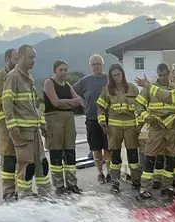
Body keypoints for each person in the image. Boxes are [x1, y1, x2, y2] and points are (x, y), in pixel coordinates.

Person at [2, 44, 52, 199]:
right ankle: (25, 198)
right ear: (21, 57)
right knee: (26, 165)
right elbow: (7, 103)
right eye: (31, 57)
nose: (34, 60)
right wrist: (12, 127)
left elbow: (35, 105)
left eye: (34, 57)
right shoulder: (13, 77)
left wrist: (42, 123)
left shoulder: (29, 79)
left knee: (41, 164)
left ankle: (46, 195)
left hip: (34, 131)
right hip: (23, 132)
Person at [135, 63, 175, 199]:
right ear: (157, 74)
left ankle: (166, 187)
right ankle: (145, 189)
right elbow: (138, 105)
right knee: (150, 158)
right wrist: (147, 118)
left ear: (169, 73)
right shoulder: (150, 89)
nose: (162, 78)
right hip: (155, 127)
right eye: (160, 75)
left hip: (171, 128)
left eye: (164, 75)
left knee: (171, 159)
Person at [96, 64, 142, 194]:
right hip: (114, 127)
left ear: (123, 74)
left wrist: (140, 124)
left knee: (133, 155)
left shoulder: (132, 88)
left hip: (131, 126)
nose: (117, 77)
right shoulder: (107, 90)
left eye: (119, 74)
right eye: (114, 75)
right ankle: (115, 183)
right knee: (115, 156)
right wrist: (103, 123)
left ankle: (136, 181)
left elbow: (140, 107)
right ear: (111, 76)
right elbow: (100, 108)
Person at [43, 60, 84, 195]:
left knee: (70, 152)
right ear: (55, 70)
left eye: (65, 70)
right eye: (61, 70)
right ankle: (59, 185)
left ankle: (72, 184)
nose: (64, 72)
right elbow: (55, 102)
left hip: (68, 120)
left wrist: (64, 102)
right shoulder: (49, 83)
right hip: (54, 120)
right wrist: (70, 103)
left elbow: (79, 102)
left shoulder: (67, 85)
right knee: (56, 152)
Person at [72, 54, 110, 184]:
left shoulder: (109, 79)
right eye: (93, 64)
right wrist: (81, 102)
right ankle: (100, 173)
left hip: (108, 120)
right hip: (92, 119)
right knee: (96, 148)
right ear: (90, 66)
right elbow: (71, 90)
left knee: (108, 148)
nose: (96, 66)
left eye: (98, 64)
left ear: (103, 65)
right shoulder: (85, 81)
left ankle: (110, 172)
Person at [0, 48, 19, 201]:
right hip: (6, 127)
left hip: (19, 126)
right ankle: (8, 191)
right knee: (8, 158)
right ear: (7, 59)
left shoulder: (20, 76)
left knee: (21, 159)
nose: (18, 62)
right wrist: (3, 122)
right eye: (15, 59)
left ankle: (19, 190)